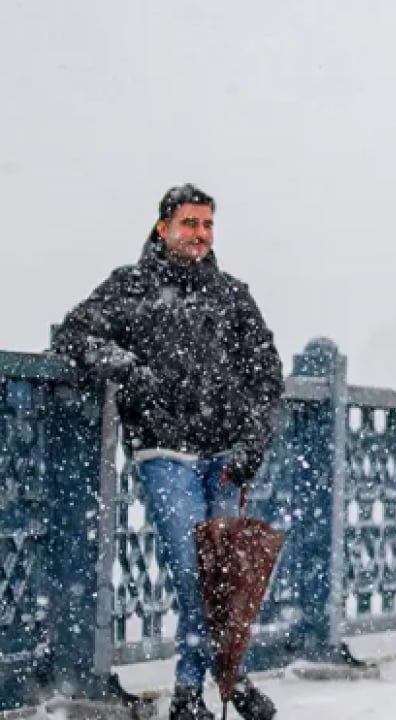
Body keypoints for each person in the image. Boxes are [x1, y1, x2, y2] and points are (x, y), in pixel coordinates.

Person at [53, 184, 283, 720]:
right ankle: (226, 682)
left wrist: (254, 440)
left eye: (207, 225)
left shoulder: (231, 295)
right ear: (164, 227)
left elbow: (266, 374)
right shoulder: (131, 288)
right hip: (164, 453)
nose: (199, 235)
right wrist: (129, 370)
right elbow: (75, 335)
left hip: (226, 456)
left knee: (225, 578)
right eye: (189, 224)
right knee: (195, 572)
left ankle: (191, 693)